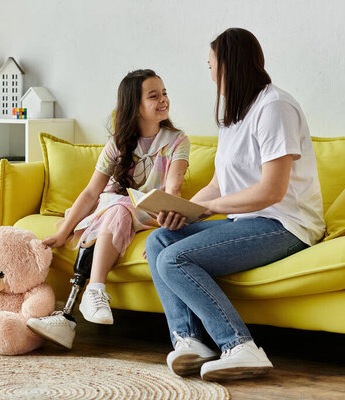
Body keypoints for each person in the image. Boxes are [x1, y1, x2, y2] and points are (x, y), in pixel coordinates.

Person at [145, 28, 325, 381]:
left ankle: (241, 345)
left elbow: (272, 191)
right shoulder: (235, 114)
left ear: (227, 65)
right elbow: (218, 184)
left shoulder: (275, 107)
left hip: (286, 223)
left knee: (175, 257)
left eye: (211, 64)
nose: (209, 72)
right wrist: (179, 209)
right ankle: (191, 341)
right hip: (246, 221)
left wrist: (214, 208)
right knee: (160, 240)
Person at [27, 69, 191, 350]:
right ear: (134, 106)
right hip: (114, 209)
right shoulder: (117, 144)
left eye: (164, 93)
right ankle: (86, 299)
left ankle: (74, 309)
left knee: (122, 207)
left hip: (151, 215)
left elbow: (173, 190)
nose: (163, 100)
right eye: (154, 96)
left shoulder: (177, 141)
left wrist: (165, 231)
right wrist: (64, 231)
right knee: (119, 208)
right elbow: (92, 192)